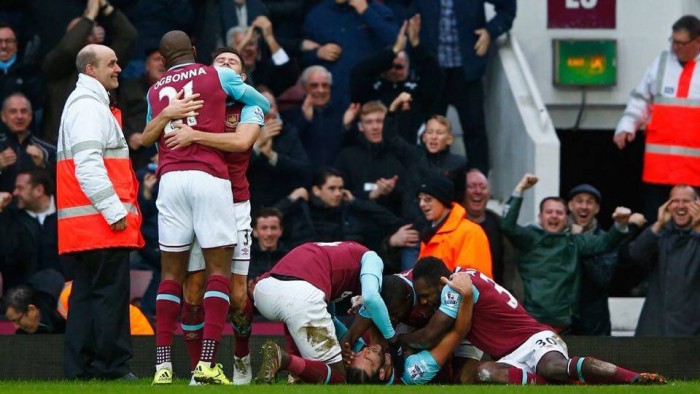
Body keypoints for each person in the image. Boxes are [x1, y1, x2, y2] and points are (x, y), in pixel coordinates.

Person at [141, 32, 269, 385]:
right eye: (221, 62)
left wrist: (193, 135)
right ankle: (201, 370)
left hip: (235, 202)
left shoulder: (248, 106)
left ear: (240, 77)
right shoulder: (203, 89)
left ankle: (240, 355)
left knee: (239, 294)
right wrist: (173, 115)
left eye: (234, 64)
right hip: (205, 186)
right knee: (192, 290)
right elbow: (150, 136)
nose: (226, 66)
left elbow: (243, 141)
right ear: (203, 63)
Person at [404, 257, 666, 385]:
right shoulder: (461, 275)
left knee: (553, 367)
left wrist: (394, 337)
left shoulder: (456, 288)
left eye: (427, 296)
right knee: (485, 374)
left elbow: (429, 336)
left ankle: (635, 378)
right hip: (508, 355)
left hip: (534, 338)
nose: (425, 302)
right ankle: (563, 385)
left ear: (441, 283)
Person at [56, 43, 144, 380]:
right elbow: (88, 166)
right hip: (102, 223)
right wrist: (112, 210)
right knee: (109, 296)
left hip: (85, 225)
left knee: (85, 298)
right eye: (111, 63)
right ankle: (112, 367)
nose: (118, 68)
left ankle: (80, 369)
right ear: (91, 70)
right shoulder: (90, 108)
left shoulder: (83, 105)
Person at [501, 174, 634, 331]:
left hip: (563, 324)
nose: (554, 216)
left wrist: (621, 223)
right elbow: (507, 225)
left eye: (559, 212)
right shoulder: (529, 237)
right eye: (549, 212)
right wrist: (520, 189)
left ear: (566, 218)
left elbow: (606, 242)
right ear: (540, 217)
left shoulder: (574, 240)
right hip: (531, 322)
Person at [253, 241, 397, 384]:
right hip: (300, 294)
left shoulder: (337, 257)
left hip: (264, 291)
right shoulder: (372, 258)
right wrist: (392, 339)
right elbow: (372, 297)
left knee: (295, 315)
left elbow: (329, 317)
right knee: (338, 378)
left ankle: (293, 373)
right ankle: (283, 358)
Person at [413, 0, 516, 174]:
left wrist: (490, 31)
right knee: (431, 131)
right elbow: (399, 7)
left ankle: (478, 181)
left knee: (474, 128)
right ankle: (431, 180)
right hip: (431, 70)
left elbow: (508, 7)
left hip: (467, 70)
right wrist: (412, 38)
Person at [613, 15, 700, 221]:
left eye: (681, 43)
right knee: (656, 223)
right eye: (673, 41)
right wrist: (627, 126)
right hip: (659, 169)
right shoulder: (661, 62)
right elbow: (641, 98)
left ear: (698, 41)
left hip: (695, 171)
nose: (675, 47)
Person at [41, 0, 137, 142]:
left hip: (105, 142)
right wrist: (89, 16)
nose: (90, 32)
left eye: (93, 28)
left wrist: (105, 6)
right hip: (66, 145)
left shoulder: (104, 63)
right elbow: (67, 49)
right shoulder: (56, 65)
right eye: (83, 30)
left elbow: (128, 36)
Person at [349, 15, 442, 144]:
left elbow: (434, 73)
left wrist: (416, 45)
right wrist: (393, 51)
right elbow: (358, 74)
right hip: (375, 153)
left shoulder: (417, 93)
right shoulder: (372, 91)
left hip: (409, 153)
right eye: (389, 66)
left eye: (399, 67)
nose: (393, 71)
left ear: (408, 69)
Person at [626, 184, 700, 336]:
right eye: (675, 201)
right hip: (655, 327)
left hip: (691, 331)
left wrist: (698, 230)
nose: (680, 206)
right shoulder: (661, 234)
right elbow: (635, 254)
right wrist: (659, 224)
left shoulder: (697, 237)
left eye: (686, 201)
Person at [301, 0, 399, 108]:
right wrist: (318, 53)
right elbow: (302, 60)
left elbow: (397, 42)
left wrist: (366, 12)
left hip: (372, 95)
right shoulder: (317, 15)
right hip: (334, 97)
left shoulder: (377, 9)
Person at [334, 101, 406, 216]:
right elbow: (339, 193)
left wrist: (393, 190)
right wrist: (370, 195)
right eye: (369, 122)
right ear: (361, 127)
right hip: (357, 223)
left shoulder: (401, 154)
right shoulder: (346, 156)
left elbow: (413, 193)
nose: (375, 127)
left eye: (380, 121)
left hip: (396, 221)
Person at [248, 86, 311, 211]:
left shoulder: (288, 132)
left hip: (283, 204)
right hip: (250, 206)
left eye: (270, 106)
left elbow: (303, 170)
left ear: (277, 108)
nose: (267, 112)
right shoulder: (239, 132)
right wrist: (257, 146)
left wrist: (272, 156)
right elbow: (233, 170)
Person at [567, 184, 618, 336]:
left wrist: (581, 242)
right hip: (562, 320)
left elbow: (603, 278)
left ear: (597, 208)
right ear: (570, 205)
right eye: (579, 201)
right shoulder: (558, 237)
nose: (584, 206)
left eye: (589, 202)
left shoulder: (608, 239)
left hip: (595, 322)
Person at [416, 176, 492, 276]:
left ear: (443, 200)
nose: (422, 204)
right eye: (420, 199)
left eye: (428, 199)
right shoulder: (430, 234)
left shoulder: (470, 232)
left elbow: (473, 281)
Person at [227, 16, 300, 96]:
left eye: (251, 44)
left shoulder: (265, 71)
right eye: (242, 43)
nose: (247, 49)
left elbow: (289, 73)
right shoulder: (223, 72)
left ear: (257, 50)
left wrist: (269, 38)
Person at [118, 49, 165, 169]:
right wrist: (128, 136)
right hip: (136, 152)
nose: (161, 63)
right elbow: (116, 117)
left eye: (164, 60)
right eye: (156, 59)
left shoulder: (177, 89)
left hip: (166, 150)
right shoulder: (129, 87)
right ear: (147, 66)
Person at [0, 92, 56, 193]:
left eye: (24, 111)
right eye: (13, 111)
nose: (19, 116)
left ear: (30, 115)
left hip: (35, 208)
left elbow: (59, 185)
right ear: (3, 116)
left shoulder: (48, 149)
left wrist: (42, 166)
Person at [463, 169, 507, 285]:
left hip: (496, 294)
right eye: (472, 186)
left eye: (483, 187)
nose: (478, 191)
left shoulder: (499, 224)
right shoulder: (451, 224)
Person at [0, 23, 44, 118]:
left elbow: (37, 110)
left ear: (16, 46)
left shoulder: (30, 73)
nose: (3, 46)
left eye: (8, 41)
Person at [1, 269, 65, 334]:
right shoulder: (22, 331)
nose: (16, 327)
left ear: (32, 309)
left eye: (17, 320)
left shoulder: (62, 309)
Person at [249, 207, 289, 280]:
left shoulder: (289, 258)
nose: (269, 233)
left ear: (280, 230)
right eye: (264, 228)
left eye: (273, 228)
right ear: (255, 231)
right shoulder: (245, 259)